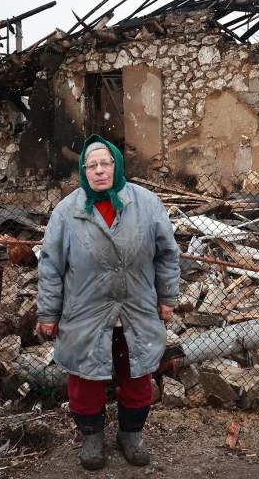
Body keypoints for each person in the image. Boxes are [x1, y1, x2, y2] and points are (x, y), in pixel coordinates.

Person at [36, 135, 180, 470]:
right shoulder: (67, 211)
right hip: (86, 311)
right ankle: (91, 438)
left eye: (106, 163)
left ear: (117, 166)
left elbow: (167, 254)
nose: (99, 171)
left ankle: (130, 434)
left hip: (136, 307)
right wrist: (48, 313)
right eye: (92, 165)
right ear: (83, 171)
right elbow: (51, 266)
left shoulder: (146, 204)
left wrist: (167, 296)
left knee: (137, 375)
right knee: (85, 379)